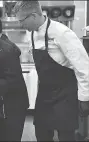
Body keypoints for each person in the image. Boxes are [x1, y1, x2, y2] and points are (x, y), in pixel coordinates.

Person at [13, 1, 89, 141]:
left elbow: (83, 67)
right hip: (45, 94)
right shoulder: (31, 35)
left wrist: (84, 98)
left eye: (22, 21)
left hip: (66, 94)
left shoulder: (62, 33)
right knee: (41, 134)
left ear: (34, 16)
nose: (21, 25)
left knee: (66, 137)